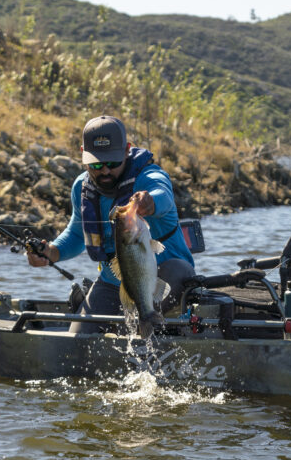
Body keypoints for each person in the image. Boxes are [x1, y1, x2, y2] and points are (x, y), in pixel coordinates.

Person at [27, 115, 195, 333]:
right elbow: (77, 234)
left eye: (112, 163)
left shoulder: (149, 176)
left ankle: (142, 325)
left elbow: (164, 196)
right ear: (83, 155)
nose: (104, 170)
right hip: (112, 283)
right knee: (76, 340)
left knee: (137, 324)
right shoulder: (81, 187)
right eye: (96, 164)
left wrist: (149, 202)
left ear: (127, 150)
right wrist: (51, 251)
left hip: (170, 273)